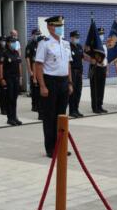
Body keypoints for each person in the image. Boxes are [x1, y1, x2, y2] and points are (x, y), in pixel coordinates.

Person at [35, 16, 73, 158]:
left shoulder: (66, 44)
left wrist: (70, 82)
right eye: (57, 25)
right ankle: (50, 148)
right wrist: (42, 86)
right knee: (50, 116)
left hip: (63, 81)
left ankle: (61, 146)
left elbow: (68, 64)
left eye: (61, 25)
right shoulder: (44, 44)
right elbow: (38, 65)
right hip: (50, 81)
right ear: (50, 27)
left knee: (61, 116)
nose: (60, 28)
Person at [0, 36, 23, 126]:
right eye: (12, 42)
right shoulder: (4, 53)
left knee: (15, 98)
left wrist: (20, 77)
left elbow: (19, 65)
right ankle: (10, 118)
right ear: (8, 43)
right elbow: (0, 66)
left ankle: (14, 117)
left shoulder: (16, 53)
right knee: (9, 98)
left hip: (16, 78)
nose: (14, 43)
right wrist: (2, 78)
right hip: (8, 78)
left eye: (15, 42)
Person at [89, 27, 108, 114]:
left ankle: (100, 105)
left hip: (103, 68)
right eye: (100, 34)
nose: (101, 36)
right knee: (95, 89)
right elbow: (90, 57)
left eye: (102, 34)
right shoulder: (94, 47)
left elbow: (106, 59)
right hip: (95, 68)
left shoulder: (104, 46)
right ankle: (95, 107)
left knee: (101, 88)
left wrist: (107, 69)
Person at [69, 30, 84, 118]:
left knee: (78, 91)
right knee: (72, 92)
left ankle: (76, 109)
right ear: (71, 38)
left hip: (79, 72)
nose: (77, 39)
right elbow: (69, 63)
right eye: (76, 37)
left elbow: (81, 60)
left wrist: (82, 73)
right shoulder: (69, 47)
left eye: (78, 37)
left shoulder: (79, 46)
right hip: (72, 72)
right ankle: (72, 110)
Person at [26, 29, 41, 113]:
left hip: (40, 70)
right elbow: (27, 58)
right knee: (34, 88)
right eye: (36, 34)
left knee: (39, 88)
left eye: (39, 34)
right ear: (32, 35)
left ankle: (39, 104)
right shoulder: (30, 45)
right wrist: (30, 71)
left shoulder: (41, 44)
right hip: (33, 69)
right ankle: (34, 105)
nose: (37, 35)